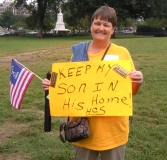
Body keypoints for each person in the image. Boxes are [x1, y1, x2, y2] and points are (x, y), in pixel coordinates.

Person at [42, 5, 143, 160]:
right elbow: (69, 86)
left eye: (106, 25)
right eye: (97, 23)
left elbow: (131, 91)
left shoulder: (122, 53)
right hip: (82, 130)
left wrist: (137, 81)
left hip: (113, 132)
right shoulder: (78, 53)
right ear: (91, 25)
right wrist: (51, 87)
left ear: (113, 29)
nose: (101, 28)